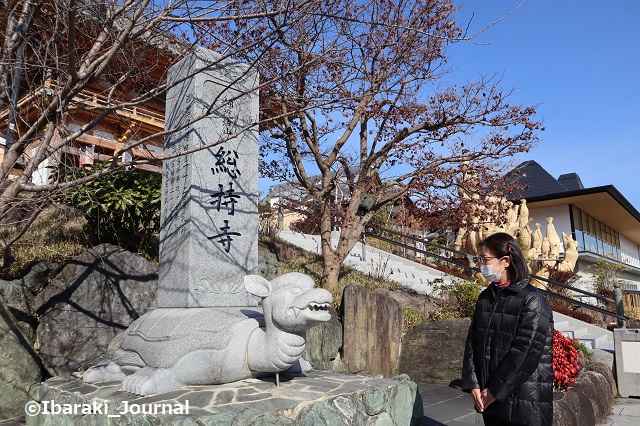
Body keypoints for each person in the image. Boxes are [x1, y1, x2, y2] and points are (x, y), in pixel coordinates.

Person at [462, 232, 554, 426]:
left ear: (505, 261)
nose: (481, 264)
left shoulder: (532, 299)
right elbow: (472, 342)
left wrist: (495, 390)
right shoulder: (486, 297)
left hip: (525, 400)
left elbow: (526, 351)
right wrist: (474, 384)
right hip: (490, 399)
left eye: (485, 259)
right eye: (479, 259)